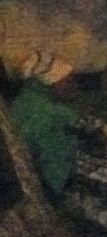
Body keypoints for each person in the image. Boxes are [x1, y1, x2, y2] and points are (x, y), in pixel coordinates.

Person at [9, 50, 80, 195]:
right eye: (69, 82)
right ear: (52, 83)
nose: (75, 87)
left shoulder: (24, 99)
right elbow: (56, 166)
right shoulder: (47, 115)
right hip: (42, 187)